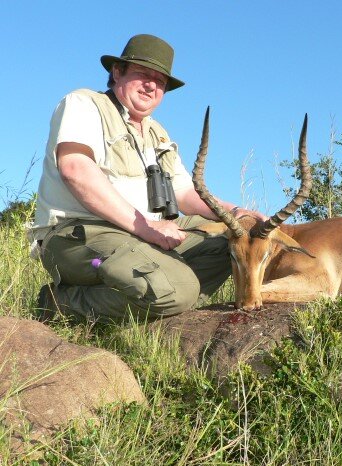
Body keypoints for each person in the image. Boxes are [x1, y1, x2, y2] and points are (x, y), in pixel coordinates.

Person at [29, 34, 266, 322]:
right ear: (117, 72)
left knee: (228, 241)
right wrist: (145, 227)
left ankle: (149, 301)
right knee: (178, 291)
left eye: (161, 81)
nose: (151, 85)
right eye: (143, 73)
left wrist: (237, 213)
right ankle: (61, 304)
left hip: (139, 236)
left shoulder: (157, 133)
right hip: (79, 237)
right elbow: (75, 170)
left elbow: (184, 193)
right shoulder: (84, 104)